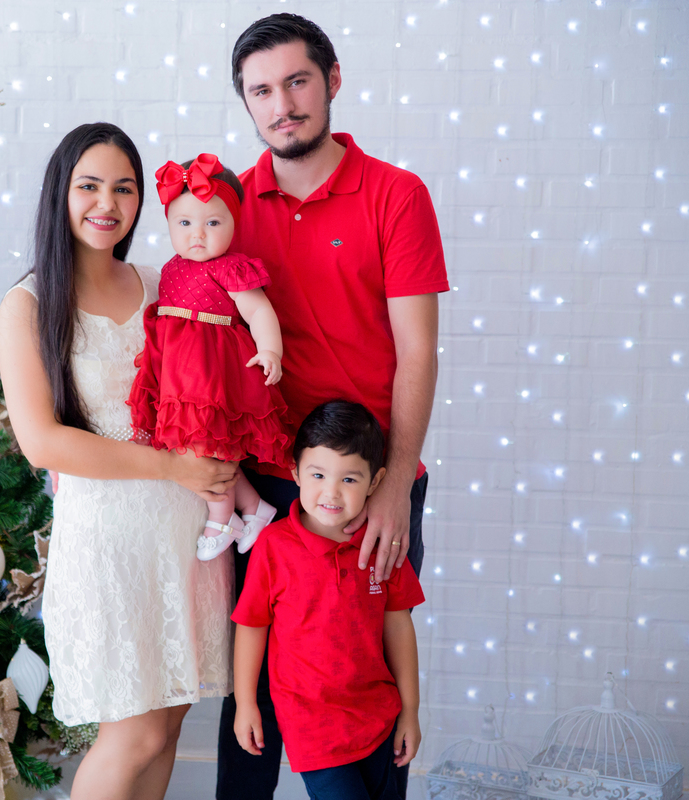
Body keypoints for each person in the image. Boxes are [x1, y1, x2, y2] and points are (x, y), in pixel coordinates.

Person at [216, 13, 449, 800]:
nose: (281, 103)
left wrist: (392, 483)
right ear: (246, 103)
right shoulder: (229, 208)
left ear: (333, 80)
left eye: (297, 81)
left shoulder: (397, 195)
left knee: (369, 666)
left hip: (373, 478)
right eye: (261, 91)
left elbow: (417, 349)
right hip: (268, 481)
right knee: (254, 680)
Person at [0, 122, 236, 800]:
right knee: (129, 734)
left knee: (166, 728)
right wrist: (172, 468)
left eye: (125, 188)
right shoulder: (31, 302)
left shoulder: (166, 282)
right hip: (109, 543)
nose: (108, 203)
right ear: (61, 194)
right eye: (90, 186)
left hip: (187, 536)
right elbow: (41, 441)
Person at [232, 400, 423, 800]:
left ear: (375, 482)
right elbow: (252, 626)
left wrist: (410, 710)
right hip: (312, 726)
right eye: (317, 474)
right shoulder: (274, 547)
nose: (331, 492)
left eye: (350, 480)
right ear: (295, 472)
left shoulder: (381, 545)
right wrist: (246, 703)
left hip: (378, 718)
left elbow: (399, 625)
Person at [128, 153, 291, 562]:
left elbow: (258, 311)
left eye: (212, 223)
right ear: (168, 225)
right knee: (193, 445)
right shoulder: (170, 268)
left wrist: (271, 350)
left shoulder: (231, 268)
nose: (196, 235)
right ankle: (253, 507)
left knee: (208, 446)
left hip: (212, 371)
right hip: (178, 372)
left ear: (234, 225)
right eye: (184, 223)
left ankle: (222, 517)